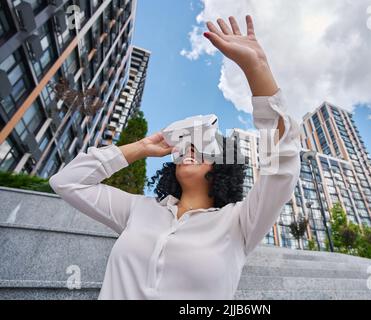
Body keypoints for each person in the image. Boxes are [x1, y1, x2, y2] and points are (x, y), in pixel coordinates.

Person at [49, 15, 301, 300]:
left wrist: (257, 68)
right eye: (187, 145)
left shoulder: (241, 222)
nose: (190, 149)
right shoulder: (139, 210)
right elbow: (67, 182)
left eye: (203, 147)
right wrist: (143, 146)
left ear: (224, 167)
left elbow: (281, 161)